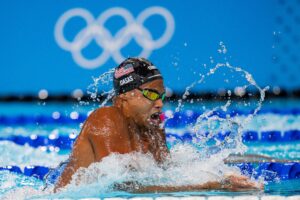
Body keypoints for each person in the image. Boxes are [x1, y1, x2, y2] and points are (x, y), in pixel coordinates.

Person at [53, 57, 261, 192]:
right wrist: (212, 185)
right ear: (125, 97)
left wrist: (219, 171)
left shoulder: (153, 125)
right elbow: (119, 185)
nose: (160, 103)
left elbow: (166, 171)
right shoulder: (106, 119)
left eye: (161, 95)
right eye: (151, 94)